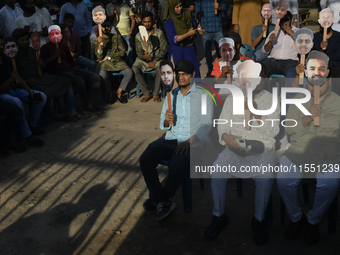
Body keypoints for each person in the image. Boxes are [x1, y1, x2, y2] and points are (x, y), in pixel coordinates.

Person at [204, 61, 280, 245]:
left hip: (261, 146)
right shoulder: (233, 98)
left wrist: (255, 112)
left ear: (262, 80)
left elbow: (273, 132)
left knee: (264, 177)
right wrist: (226, 137)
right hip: (235, 145)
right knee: (218, 171)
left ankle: (258, 220)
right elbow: (222, 122)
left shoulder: (270, 100)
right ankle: (219, 216)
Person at [277, 51, 340, 244]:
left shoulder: (337, 102)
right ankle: (296, 218)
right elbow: (289, 128)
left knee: (330, 183)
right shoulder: (298, 99)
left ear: (328, 77)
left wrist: (335, 143)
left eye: (322, 73)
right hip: (299, 150)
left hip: (327, 153)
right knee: (283, 179)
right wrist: (308, 117)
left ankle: (313, 220)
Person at [139, 59, 213, 221]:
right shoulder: (171, 95)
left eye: (185, 75)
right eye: (178, 75)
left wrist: (189, 142)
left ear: (193, 75)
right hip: (172, 137)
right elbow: (164, 126)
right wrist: (167, 119)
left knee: (177, 164)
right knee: (145, 159)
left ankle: (160, 198)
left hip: (193, 140)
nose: (181, 78)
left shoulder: (203, 97)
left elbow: (207, 126)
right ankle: (162, 200)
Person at [12, 28, 84, 122]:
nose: (25, 42)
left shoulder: (32, 51)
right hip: (29, 82)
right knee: (44, 91)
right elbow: (15, 76)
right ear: (16, 42)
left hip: (42, 76)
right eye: (22, 40)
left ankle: (72, 111)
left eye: (26, 39)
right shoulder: (14, 56)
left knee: (67, 82)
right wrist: (26, 81)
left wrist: (42, 65)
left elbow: (44, 66)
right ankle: (52, 114)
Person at [40, 25, 105, 115]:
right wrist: (54, 56)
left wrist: (76, 69)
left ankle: (91, 103)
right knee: (79, 81)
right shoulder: (45, 48)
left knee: (96, 77)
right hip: (58, 73)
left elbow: (71, 61)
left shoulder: (63, 46)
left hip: (71, 69)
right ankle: (86, 105)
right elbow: (43, 64)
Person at [0, 36, 46, 147]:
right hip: (3, 94)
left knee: (41, 97)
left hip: (13, 89)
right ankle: (27, 135)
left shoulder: (6, 59)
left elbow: (17, 77)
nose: (1, 47)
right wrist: (10, 80)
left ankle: (31, 125)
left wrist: (29, 90)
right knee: (17, 103)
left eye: (2, 45)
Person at [93, 20, 133, 104]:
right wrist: (100, 45)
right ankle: (110, 94)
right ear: (100, 28)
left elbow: (122, 52)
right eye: (104, 26)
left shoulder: (117, 37)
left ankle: (119, 92)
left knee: (129, 72)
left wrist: (108, 57)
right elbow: (99, 57)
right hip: (105, 65)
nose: (106, 28)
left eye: (108, 26)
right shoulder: (97, 41)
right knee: (102, 75)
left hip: (118, 61)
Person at [132, 11, 167, 103]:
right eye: (145, 22)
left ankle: (155, 93)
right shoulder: (138, 36)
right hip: (143, 60)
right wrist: (143, 56)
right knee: (134, 68)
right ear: (141, 23)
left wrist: (155, 60)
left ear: (153, 22)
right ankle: (146, 92)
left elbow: (164, 49)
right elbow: (138, 51)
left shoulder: (159, 33)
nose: (147, 24)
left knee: (160, 68)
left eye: (149, 21)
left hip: (157, 59)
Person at [164, 0, 200, 78]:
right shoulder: (169, 21)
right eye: (177, 7)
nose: (180, 8)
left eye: (180, 6)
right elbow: (174, 39)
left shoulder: (187, 15)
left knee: (192, 72)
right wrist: (188, 34)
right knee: (180, 74)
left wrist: (193, 34)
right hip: (177, 50)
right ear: (171, 7)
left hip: (189, 48)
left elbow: (194, 29)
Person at [262, 11, 298, 77]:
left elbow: (302, 45)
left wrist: (290, 32)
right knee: (260, 70)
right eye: (282, 20)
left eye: (286, 19)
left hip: (290, 61)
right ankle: (265, 87)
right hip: (273, 60)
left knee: (292, 74)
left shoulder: (297, 32)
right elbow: (264, 51)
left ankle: (288, 87)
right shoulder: (274, 32)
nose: (284, 22)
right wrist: (270, 42)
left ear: (291, 20)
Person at [195, 0, 226, 77]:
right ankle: (210, 69)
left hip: (217, 28)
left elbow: (224, 9)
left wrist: (219, 8)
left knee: (221, 51)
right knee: (207, 50)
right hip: (205, 28)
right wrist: (199, 27)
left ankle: (221, 69)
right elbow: (197, 12)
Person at [106, 0, 135, 66]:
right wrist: (114, 14)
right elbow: (108, 20)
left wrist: (131, 31)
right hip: (114, 34)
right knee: (116, 52)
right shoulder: (109, 6)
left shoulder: (127, 6)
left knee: (128, 52)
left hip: (126, 33)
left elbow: (133, 19)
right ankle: (118, 69)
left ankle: (130, 69)